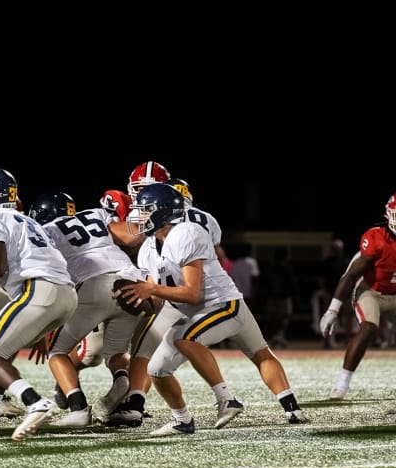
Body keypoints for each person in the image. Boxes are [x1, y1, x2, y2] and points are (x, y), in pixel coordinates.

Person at [118, 183, 308, 435]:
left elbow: (191, 292)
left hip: (222, 304)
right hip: (196, 311)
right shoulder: (148, 249)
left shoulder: (185, 233)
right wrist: (133, 298)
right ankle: (182, 420)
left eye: (144, 210)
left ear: (161, 211)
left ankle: (229, 399)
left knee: (194, 340)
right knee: (157, 370)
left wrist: (150, 290)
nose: (138, 217)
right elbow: (155, 295)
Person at [0, 167, 78, 442]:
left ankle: (34, 402)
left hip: (37, 289)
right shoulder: (24, 219)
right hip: (65, 293)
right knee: (2, 352)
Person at [28, 190, 142, 426]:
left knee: (56, 351)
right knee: (117, 353)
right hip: (131, 280)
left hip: (93, 283)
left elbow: (46, 272)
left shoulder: (46, 230)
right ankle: (121, 379)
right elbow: (130, 236)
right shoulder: (96, 214)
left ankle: (78, 408)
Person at [320, 190, 396, 401]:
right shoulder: (377, 237)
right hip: (370, 292)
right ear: (389, 216)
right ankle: (342, 383)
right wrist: (333, 310)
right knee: (369, 328)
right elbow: (351, 276)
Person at [310, 239, 352, 349]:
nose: (336, 250)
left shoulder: (346, 261)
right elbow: (321, 278)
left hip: (345, 294)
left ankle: (347, 341)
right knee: (328, 317)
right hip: (330, 293)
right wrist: (324, 291)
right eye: (334, 248)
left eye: (337, 248)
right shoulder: (326, 262)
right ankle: (326, 342)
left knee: (348, 317)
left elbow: (351, 277)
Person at [260, 246, 297, 348]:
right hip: (283, 296)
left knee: (274, 317)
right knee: (285, 316)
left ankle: (275, 336)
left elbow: (264, 282)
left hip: (273, 296)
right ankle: (278, 334)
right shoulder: (287, 267)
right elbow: (292, 283)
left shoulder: (270, 267)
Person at [228, 243, 260, 310]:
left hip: (238, 293)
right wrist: (255, 291)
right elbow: (255, 278)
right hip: (249, 293)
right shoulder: (252, 262)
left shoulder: (236, 263)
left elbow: (232, 278)